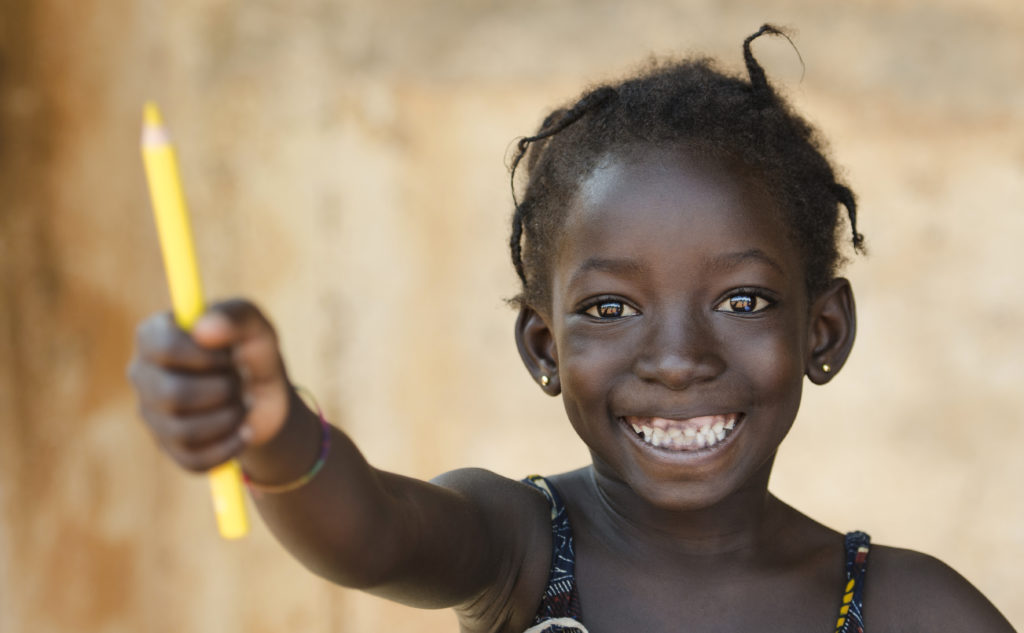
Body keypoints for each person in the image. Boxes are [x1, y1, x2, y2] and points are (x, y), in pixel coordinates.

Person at [128, 25, 1016, 633]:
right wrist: (277, 434)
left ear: (823, 331)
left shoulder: (911, 609)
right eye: (610, 308)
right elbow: (375, 531)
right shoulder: (517, 544)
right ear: (543, 348)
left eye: (741, 300)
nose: (677, 360)